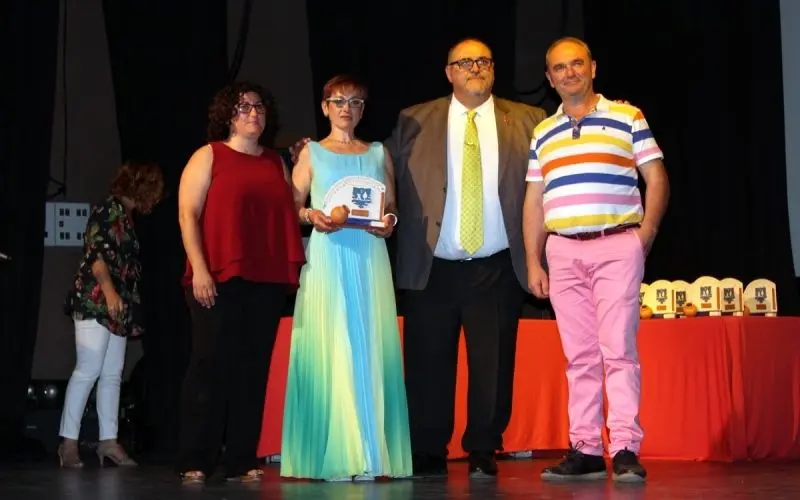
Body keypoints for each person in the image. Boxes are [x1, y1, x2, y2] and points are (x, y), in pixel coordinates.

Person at [386, 38, 548, 478]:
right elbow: (382, 171)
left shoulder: (529, 119)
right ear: (449, 72)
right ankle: (428, 449)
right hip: (432, 264)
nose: (475, 68)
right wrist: (328, 154)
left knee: (493, 364)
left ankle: (483, 447)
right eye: (465, 62)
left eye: (483, 61)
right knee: (427, 362)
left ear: (493, 69)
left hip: (497, 264)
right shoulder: (414, 119)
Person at [523, 37, 669, 483]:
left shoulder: (628, 117)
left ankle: (624, 447)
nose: (569, 73)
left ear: (592, 68)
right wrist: (533, 261)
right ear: (549, 78)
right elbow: (534, 200)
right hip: (562, 250)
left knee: (619, 350)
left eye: (576, 64)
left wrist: (646, 234)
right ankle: (585, 449)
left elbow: (656, 177)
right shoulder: (543, 133)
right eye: (559, 67)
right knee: (579, 356)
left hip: (616, 244)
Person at [279, 75, 412, 482]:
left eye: (355, 102)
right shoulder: (312, 153)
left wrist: (389, 222)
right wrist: (311, 215)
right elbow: (290, 206)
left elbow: (390, 205)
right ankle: (337, 451)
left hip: (369, 255)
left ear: (363, 109)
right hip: (328, 255)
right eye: (338, 101)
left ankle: (371, 452)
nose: (346, 108)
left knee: (369, 344)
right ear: (324, 107)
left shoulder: (377, 153)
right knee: (333, 344)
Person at [176, 81, 306, 484]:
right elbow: (187, 214)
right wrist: (200, 269)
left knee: (252, 370)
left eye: (259, 107)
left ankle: (241, 459)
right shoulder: (208, 155)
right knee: (210, 367)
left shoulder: (275, 162)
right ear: (227, 116)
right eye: (244, 107)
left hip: (265, 279)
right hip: (217, 276)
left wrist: (304, 160)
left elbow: (291, 211)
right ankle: (196, 458)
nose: (254, 113)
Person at [58, 160, 164, 468]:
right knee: (88, 368)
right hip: (97, 300)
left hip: (116, 304)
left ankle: (108, 441)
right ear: (140, 186)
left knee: (112, 374)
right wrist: (109, 291)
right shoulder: (108, 209)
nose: (156, 198)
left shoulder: (126, 216)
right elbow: (96, 254)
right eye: (154, 190)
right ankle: (68, 443)